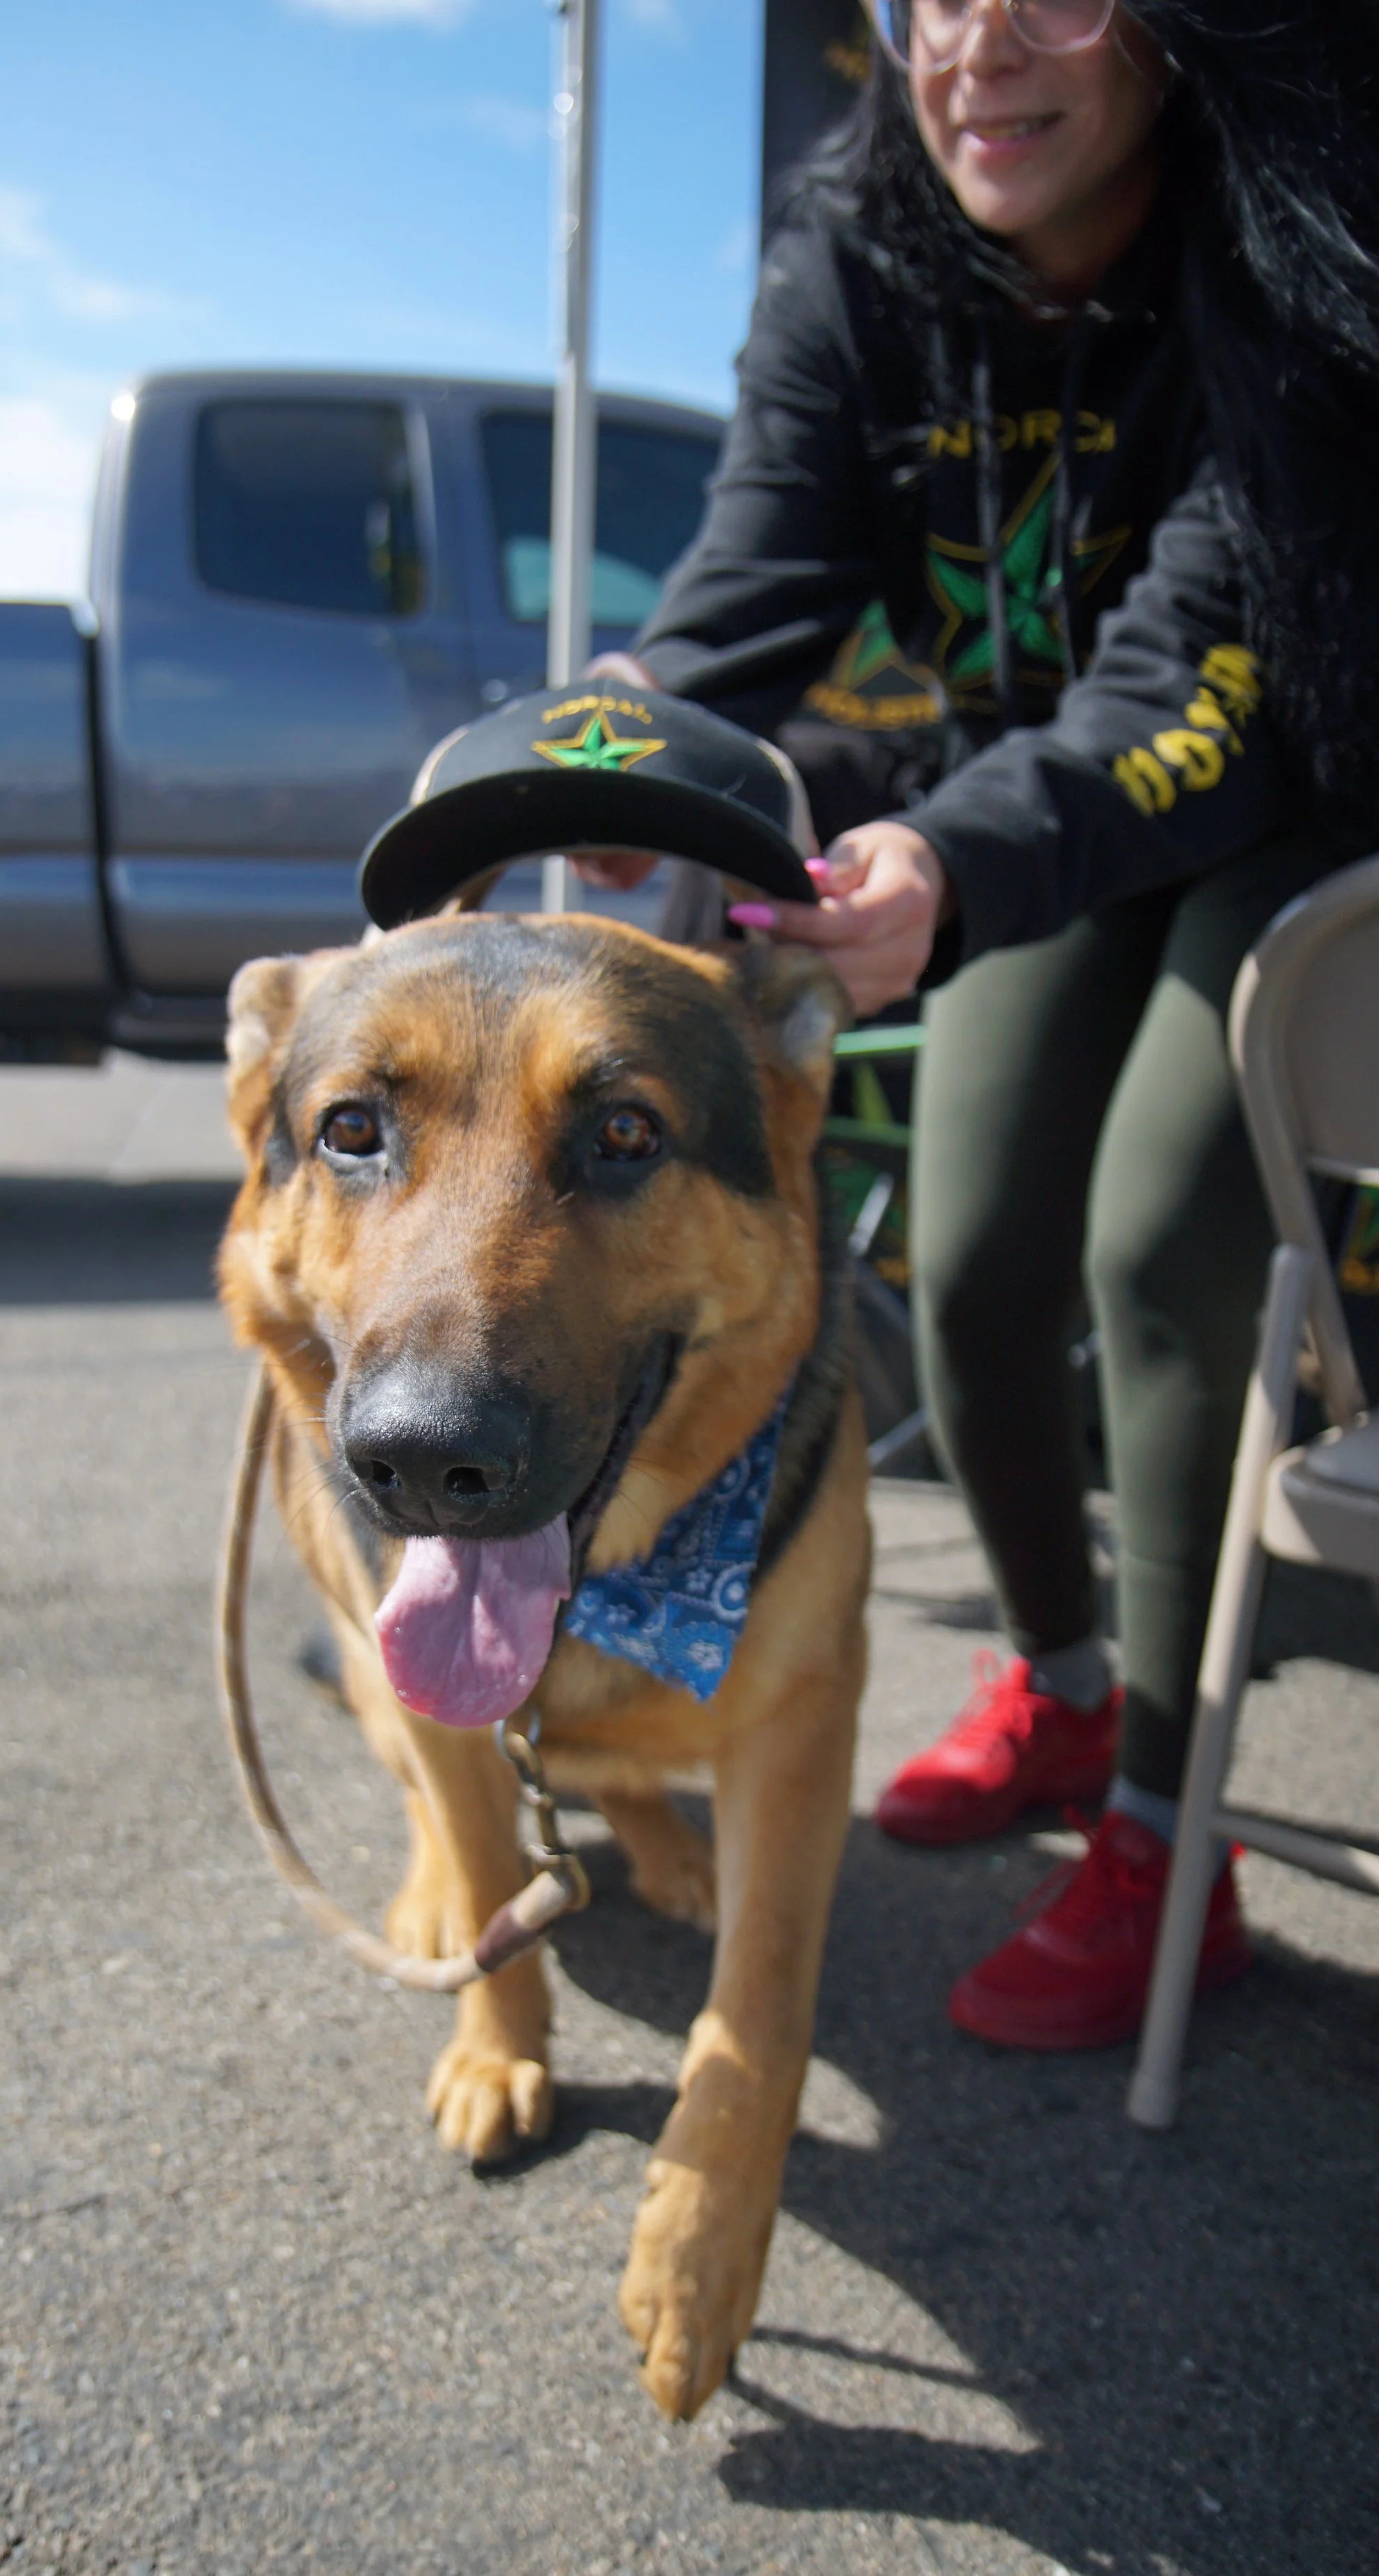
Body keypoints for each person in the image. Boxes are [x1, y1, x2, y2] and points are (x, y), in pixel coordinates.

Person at [586, 0, 1379, 2049]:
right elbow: (754, 568)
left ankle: (1163, 1836)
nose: (976, 55)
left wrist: (934, 864)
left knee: (1157, 1251)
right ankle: (1058, 1678)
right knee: (972, 1258)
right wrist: (620, 767)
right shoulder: (856, 243)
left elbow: (1194, 682)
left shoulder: (1284, 222)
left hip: (1286, 783)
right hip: (1028, 810)